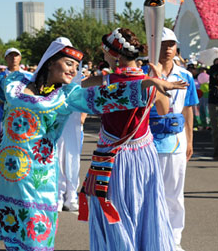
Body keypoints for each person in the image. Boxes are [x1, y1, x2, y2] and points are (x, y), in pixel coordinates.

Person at [0, 37, 183, 251]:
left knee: (37, 244)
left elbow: (107, 97)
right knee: (13, 241)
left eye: (76, 66)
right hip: (4, 178)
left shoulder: (68, 95)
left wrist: (149, 82)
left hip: (38, 181)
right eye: (68, 63)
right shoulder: (13, 83)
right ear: (50, 63)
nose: (73, 70)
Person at [79, 28, 187, 251]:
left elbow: (78, 91)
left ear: (115, 55)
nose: (104, 56)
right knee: (146, 208)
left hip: (113, 155)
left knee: (116, 209)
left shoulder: (102, 81)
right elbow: (164, 110)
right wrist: (155, 79)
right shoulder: (149, 80)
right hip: (144, 152)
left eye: (106, 52)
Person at [149, 28, 199, 251]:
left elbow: (188, 110)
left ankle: (174, 240)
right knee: (148, 192)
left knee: (175, 194)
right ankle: (151, 237)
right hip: (147, 140)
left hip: (176, 140)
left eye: (171, 44)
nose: (168, 49)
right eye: (163, 44)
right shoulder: (145, 73)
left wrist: (190, 140)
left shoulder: (185, 75)